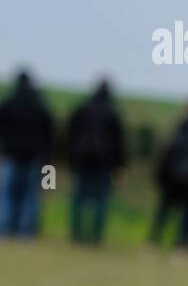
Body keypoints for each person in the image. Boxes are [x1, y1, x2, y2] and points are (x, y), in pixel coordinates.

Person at [67, 80, 127, 245]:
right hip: (104, 165)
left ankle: (76, 233)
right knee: (101, 201)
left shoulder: (82, 109)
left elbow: (70, 135)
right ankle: (95, 236)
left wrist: (70, 159)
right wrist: (120, 166)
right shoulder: (112, 113)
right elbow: (119, 143)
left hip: (82, 162)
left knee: (78, 199)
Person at [0, 70, 55, 238]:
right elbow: (49, 134)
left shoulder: (8, 103)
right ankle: (25, 233)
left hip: (10, 156)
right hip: (33, 158)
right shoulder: (40, 106)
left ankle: (5, 229)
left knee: (7, 195)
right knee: (30, 197)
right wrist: (48, 161)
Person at [151, 101, 188, 248]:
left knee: (164, 212)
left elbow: (166, 157)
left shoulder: (178, 132)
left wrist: (161, 179)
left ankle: (153, 242)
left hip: (173, 180)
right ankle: (183, 246)